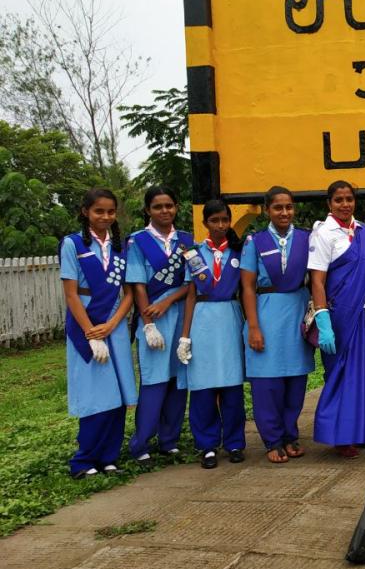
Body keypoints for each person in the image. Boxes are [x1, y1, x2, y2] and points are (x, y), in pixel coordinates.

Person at [61, 188, 137, 478]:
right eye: (98, 211)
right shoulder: (72, 245)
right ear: (85, 212)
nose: (105, 217)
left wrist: (114, 322)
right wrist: (91, 333)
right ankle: (84, 460)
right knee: (95, 393)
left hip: (113, 324)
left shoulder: (121, 246)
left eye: (110, 211)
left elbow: (128, 293)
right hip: (86, 324)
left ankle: (109, 456)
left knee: (117, 392)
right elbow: (70, 295)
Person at [240, 186, 314, 464]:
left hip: (296, 313)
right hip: (266, 314)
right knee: (267, 382)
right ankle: (272, 439)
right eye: (278, 207)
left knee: (296, 379)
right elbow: (247, 287)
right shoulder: (254, 242)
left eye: (289, 207)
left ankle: (289, 435)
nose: (285, 212)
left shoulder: (307, 238)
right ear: (268, 210)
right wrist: (254, 326)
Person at [177, 201, 247, 469]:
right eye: (215, 220)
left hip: (229, 316)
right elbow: (191, 293)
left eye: (225, 220)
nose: (220, 225)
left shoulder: (240, 250)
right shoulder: (193, 254)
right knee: (203, 386)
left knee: (232, 387)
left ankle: (235, 442)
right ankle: (206, 445)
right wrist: (185, 335)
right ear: (205, 223)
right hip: (203, 320)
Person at [308, 180, 365, 457]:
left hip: (362, 311)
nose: (345, 204)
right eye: (339, 200)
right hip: (337, 315)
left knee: (359, 375)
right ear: (329, 203)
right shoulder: (324, 234)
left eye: (349, 199)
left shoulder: (363, 231)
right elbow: (317, 280)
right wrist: (323, 321)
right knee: (339, 374)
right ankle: (336, 435)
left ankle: (359, 433)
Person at [125, 186, 191, 465]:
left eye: (169, 206)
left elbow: (191, 282)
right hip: (152, 316)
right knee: (154, 380)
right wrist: (148, 322)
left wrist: (169, 301)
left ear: (176, 207)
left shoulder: (187, 240)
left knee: (178, 380)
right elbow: (137, 284)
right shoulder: (137, 242)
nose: (164, 211)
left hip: (181, 314)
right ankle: (141, 443)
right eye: (157, 207)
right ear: (148, 210)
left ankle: (169, 440)